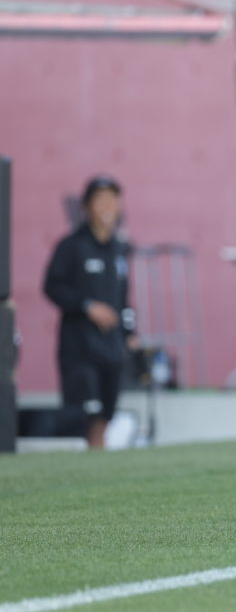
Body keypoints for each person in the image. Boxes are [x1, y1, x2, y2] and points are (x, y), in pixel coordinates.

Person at [43, 175, 135, 449]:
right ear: (87, 206)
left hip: (111, 346)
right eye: (100, 201)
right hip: (80, 346)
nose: (107, 207)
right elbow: (52, 287)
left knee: (107, 410)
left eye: (112, 201)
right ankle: (88, 456)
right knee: (85, 411)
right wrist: (87, 305)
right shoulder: (71, 246)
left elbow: (123, 297)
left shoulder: (119, 249)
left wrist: (130, 332)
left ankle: (98, 454)